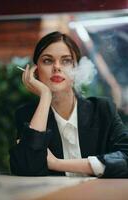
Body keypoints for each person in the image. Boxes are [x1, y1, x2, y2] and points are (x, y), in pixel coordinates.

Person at [9, 31, 128, 178]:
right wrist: (45, 96)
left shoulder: (103, 110)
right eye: (47, 61)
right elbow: (26, 168)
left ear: (77, 68)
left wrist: (57, 163)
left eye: (66, 61)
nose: (57, 67)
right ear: (36, 71)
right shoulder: (28, 116)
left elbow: (126, 158)